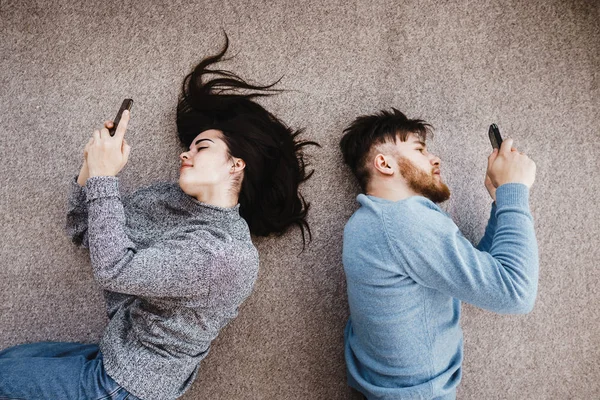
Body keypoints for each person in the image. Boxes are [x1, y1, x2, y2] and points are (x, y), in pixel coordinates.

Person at [0, 34, 318, 400]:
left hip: (129, 385)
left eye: (202, 146)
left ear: (235, 164)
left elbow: (115, 269)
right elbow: (86, 229)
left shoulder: (225, 253)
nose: (186, 154)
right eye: (188, 146)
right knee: (10, 361)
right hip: (114, 353)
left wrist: (106, 178)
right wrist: (91, 169)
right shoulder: (167, 198)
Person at [339, 108, 539, 400]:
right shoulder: (405, 220)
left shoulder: (369, 222)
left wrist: (501, 204)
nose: (435, 159)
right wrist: (515, 189)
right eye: (419, 149)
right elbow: (515, 292)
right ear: (384, 163)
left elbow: (473, 275)